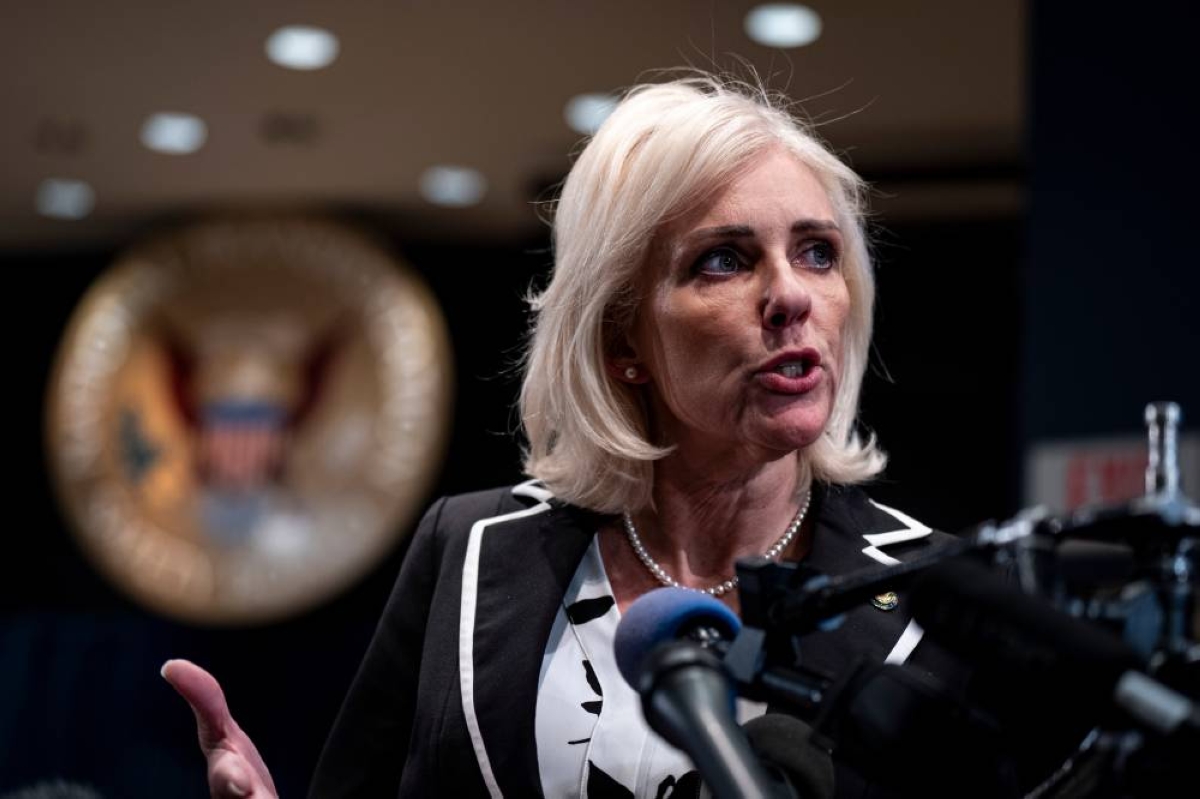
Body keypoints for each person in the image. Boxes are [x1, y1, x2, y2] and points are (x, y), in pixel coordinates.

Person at [163, 73, 968, 798]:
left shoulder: (941, 595)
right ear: (621, 339)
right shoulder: (468, 552)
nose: (792, 296)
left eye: (818, 252)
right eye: (724, 260)